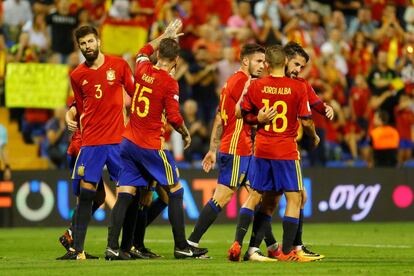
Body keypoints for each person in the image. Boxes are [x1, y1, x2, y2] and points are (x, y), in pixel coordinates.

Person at [105, 19, 207, 260]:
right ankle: (182, 245)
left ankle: (112, 247)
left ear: (158, 53)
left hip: (128, 142)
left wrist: (163, 35)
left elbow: (143, 51)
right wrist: (185, 132)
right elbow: (173, 116)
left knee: (126, 192)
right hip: (149, 144)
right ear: (177, 61)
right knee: (176, 189)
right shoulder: (169, 82)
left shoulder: (142, 69)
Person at [229, 42, 331, 261]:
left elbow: (240, 113)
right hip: (285, 150)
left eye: (301, 67)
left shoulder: (258, 84)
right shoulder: (296, 87)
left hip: (263, 148)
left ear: (267, 63)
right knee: (296, 197)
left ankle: (249, 247)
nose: (298, 70)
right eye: (296, 64)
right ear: (285, 60)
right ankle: (292, 250)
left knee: (264, 199)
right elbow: (306, 119)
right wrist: (313, 137)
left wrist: (258, 119)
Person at [187, 44, 277, 261]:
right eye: (258, 61)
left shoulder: (231, 82)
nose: (262, 65)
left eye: (264, 61)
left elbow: (219, 118)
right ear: (245, 61)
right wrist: (261, 120)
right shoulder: (244, 83)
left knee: (257, 196)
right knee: (223, 197)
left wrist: (212, 149)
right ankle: (190, 244)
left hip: (238, 147)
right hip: (238, 148)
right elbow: (242, 116)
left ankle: (271, 246)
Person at [57, 25, 135, 260]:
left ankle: (120, 247)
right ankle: (77, 250)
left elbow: (135, 93)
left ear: (99, 41)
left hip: (117, 142)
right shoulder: (77, 75)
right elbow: (80, 107)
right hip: (91, 143)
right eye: (83, 44)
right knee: (87, 194)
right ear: (79, 47)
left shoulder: (119, 65)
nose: (87, 47)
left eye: (90, 41)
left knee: (130, 191)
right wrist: (70, 118)